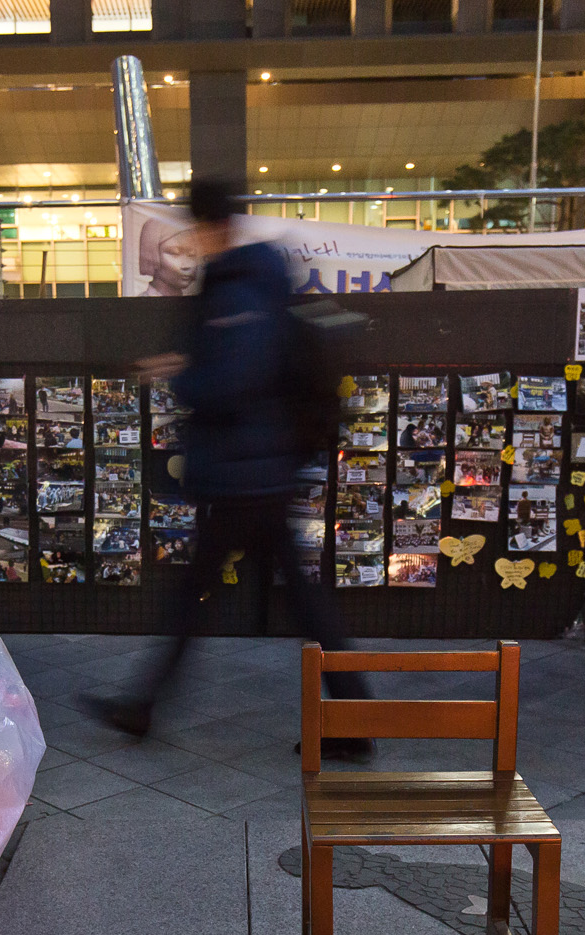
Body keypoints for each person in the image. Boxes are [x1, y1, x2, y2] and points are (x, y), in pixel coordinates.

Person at [83, 178, 367, 753]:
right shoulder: (250, 280)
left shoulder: (239, 286)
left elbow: (235, 378)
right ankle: (355, 719)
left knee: (217, 596)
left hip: (249, 471)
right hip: (256, 465)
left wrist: (182, 375)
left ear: (209, 226)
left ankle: (143, 706)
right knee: (260, 597)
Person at [133, 216, 205, 297]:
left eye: (192, 255)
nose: (187, 265)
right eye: (174, 253)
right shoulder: (141, 305)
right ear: (152, 254)